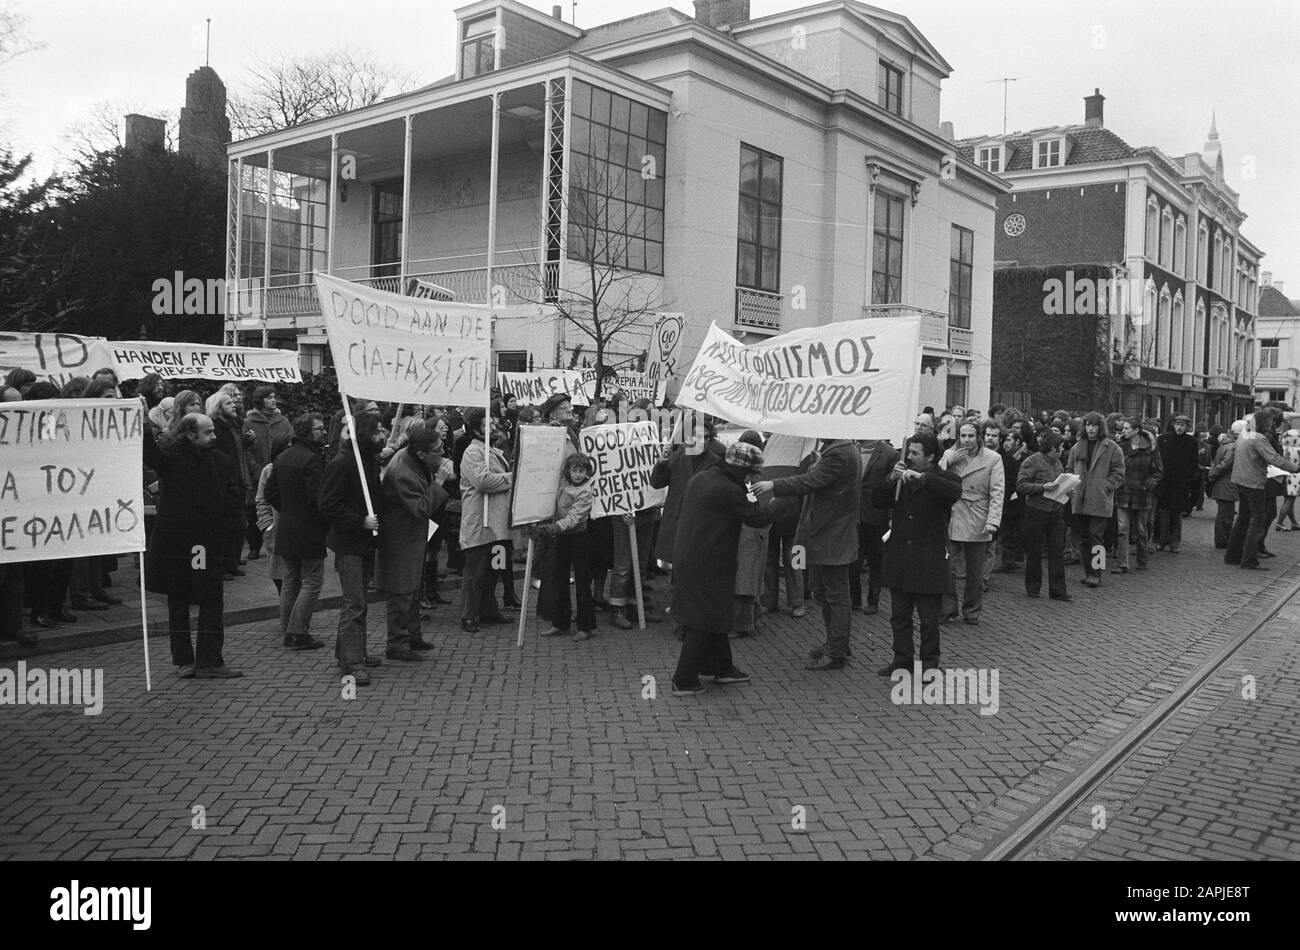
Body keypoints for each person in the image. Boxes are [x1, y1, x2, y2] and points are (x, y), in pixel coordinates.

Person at [143, 412, 244, 679]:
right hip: (177, 544)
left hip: (206, 545)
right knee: (178, 600)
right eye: (208, 432)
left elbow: (232, 499)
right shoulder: (172, 459)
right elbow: (149, 454)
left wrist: (232, 535)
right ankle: (183, 660)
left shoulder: (220, 460)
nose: (213, 436)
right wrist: (140, 420)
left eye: (213, 431)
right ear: (190, 434)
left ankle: (210, 660)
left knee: (211, 598)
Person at [670, 441, 773, 695]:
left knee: (714, 615)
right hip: (709, 562)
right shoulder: (728, 489)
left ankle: (721, 667)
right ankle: (683, 680)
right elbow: (756, 516)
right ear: (741, 469)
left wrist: (748, 490)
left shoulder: (704, 477)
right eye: (750, 473)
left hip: (693, 558)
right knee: (702, 620)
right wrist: (778, 504)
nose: (751, 478)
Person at [754, 434, 862, 671]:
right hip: (823, 535)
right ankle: (836, 644)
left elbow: (810, 482)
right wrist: (817, 462)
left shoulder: (839, 453)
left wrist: (774, 485)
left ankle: (836, 652)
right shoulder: (839, 450)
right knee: (823, 591)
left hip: (831, 536)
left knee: (834, 595)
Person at [872, 432, 961, 675]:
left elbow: (952, 493)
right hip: (901, 556)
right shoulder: (900, 477)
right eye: (908, 452)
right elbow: (878, 501)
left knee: (929, 620)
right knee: (899, 617)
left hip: (928, 559)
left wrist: (922, 478)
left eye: (915, 453)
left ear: (931, 456)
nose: (909, 457)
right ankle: (902, 659)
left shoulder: (946, 478)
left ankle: (930, 664)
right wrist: (890, 480)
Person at [319, 411, 384, 685]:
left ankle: (349, 652)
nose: (382, 436)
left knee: (358, 602)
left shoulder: (367, 460)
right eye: (377, 431)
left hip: (364, 541)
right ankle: (352, 663)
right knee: (354, 603)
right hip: (350, 544)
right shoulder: (343, 463)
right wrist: (360, 522)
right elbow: (328, 504)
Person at [376, 427, 452, 659]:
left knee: (412, 589)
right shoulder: (402, 473)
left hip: (413, 536)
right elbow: (420, 508)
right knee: (402, 591)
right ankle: (397, 644)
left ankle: (412, 636)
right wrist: (439, 482)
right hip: (401, 538)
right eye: (438, 450)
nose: (443, 454)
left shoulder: (412, 459)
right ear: (421, 453)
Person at [266, 413, 330, 651]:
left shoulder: (282, 457)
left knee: (291, 580)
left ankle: (288, 628)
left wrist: (289, 509)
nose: (323, 432)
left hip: (288, 527)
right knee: (312, 580)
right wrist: (321, 521)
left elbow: (270, 492)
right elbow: (317, 498)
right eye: (319, 428)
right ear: (306, 432)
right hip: (309, 529)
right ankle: (297, 632)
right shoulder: (312, 459)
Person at [936, 421, 1003, 624]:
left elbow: (997, 492)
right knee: (948, 567)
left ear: (979, 437)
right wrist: (947, 460)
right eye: (963, 436)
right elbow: (935, 478)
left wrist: (993, 521)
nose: (966, 440)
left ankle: (972, 610)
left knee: (975, 571)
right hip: (953, 514)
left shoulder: (993, 458)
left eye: (971, 436)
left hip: (978, 515)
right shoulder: (950, 454)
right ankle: (948, 608)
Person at [458, 407, 514, 633]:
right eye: (486, 425)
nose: (492, 427)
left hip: (497, 526)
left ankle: (489, 609)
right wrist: (511, 477)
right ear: (475, 430)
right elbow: (483, 481)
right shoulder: (473, 453)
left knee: (495, 568)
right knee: (475, 572)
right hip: (481, 524)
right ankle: (468, 614)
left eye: (492, 423)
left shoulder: (493, 450)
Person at [1225, 410, 1300, 571]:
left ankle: (1232, 555)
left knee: (1243, 519)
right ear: (1264, 423)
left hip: (1240, 481)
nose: (1271, 425)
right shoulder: (1259, 439)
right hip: (1254, 484)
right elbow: (1274, 458)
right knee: (1257, 523)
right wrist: (1295, 468)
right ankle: (1249, 560)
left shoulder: (1244, 435)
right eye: (1269, 422)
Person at [540, 452, 597, 642]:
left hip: (579, 537)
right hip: (562, 537)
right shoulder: (564, 483)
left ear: (587, 472)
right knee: (559, 580)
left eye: (582, 471)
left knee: (582, 583)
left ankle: (585, 626)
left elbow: (574, 517)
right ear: (569, 471)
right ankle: (560, 622)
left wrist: (554, 528)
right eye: (575, 470)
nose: (578, 474)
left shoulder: (586, 492)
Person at [1066, 411, 1125, 587]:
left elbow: (1119, 472)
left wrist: (1106, 486)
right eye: (1088, 425)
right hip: (1080, 499)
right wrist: (1070, 485)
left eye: (1094, 425)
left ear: (1100, 427)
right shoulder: (1077, 447)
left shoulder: (1112, 447)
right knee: (1084, 538)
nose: (1091, 429)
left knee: (1096, 537)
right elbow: (1069, 468)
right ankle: (1088, 571)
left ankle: (1097, 573)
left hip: (1099, 499)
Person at [1016, 431, 1071, 601]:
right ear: (1053, 448)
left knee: (1057, 551)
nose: (1062, 450)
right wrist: (1043, 487)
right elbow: (1021, 486)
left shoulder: (1057, 463)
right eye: (1060, 447)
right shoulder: (1032, 461)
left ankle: (1058, 590)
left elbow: (1059, 485)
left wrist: (1068, 489)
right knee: (1034, 550)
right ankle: (1033, 587)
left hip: (1055, 511)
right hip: (1036, 511)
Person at [850, 435, 900, 615]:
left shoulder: (890, 454)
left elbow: (894, 488)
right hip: (854, 515)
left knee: (876, 560)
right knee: (853, 560)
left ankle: (873, 600)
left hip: (877, 516)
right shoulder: (851, 450)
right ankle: (854, 599)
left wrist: (891, 516)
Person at [243, 386, 293, 560]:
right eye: (269, 397)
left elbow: (291, 444)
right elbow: (246, 450)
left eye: (274, 397)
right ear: (260, 400)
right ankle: (255, 546)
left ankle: (277, 542)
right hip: (258, 473)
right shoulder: (249, 422)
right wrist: (256, 471)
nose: (274, 400)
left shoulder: (283, 422)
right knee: (255, 509)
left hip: (279, 471)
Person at [207, 391, 251, 578]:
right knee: (226, 525)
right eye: (228, 403)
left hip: (239, 479)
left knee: (238, 524)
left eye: (233, 402)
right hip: (226, 482)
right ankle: (222, 566)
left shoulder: (235, 425)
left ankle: (232, 562)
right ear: (218, 408)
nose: (234, 405)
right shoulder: (216, 428)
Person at [1113, 421, 1162, 573]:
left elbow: (1158, 471)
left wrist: (1149, 483)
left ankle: (1142, 559)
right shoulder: (1119, 447)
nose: (1124, 431)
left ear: (1136, 430)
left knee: (1141, 530)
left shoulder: (1150, 449)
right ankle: (1122, 563)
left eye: (1127, 428)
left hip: (1142, 494)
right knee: (1122, 529)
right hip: (1123, 493)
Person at [1154, 415, 1197, 552]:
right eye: (1177, 424)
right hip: (1165, 482)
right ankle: (1161, 540)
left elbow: (1193, 462)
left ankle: (1174, 542)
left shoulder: (1191, 442)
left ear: (1187, 427)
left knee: (1177, 514)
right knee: (1163, 513)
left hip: (1181, 483)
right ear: (1173, 424)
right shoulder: (1163, 439)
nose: (1179, 427)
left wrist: (1189, 477)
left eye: (1182, 425)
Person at [1206, 421, 1243, 548]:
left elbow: (1217, 463)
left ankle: (1223, 539)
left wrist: (1212, 474)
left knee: (1225, 514)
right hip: (1227, 484)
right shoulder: (1233, 447)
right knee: (1225, 516)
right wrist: (1213, 475)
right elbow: (1226, 464)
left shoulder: (1225, 444)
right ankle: (1222, 541)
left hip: (1223, 484)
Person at [1274, 430, 1300, 531]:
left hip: (1285, 476)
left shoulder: (1285, 448)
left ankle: (1294, 522)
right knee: (1290, 500)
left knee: (1289, 500)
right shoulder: (1298, 450)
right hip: (1295, 477)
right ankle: (1279, 523)